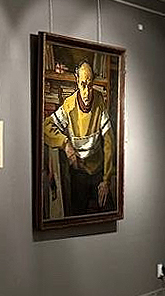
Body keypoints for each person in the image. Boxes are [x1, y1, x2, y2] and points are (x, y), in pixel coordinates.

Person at [42, 60, 115, 216]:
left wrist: (106, 180)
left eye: (90, 85)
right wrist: (65, 144)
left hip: (98, 171)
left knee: (109, 210)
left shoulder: (99, 102)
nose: (87, 92)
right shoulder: (69, 105)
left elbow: (109, 141)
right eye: (83, 85)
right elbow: (46, 127)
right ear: (77, 82)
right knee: (76, 214)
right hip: (78, 172)